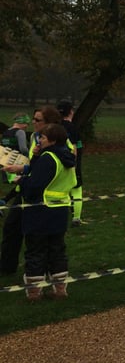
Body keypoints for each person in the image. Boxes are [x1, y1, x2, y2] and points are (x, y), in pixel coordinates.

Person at [3, 123, 77, 300]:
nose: (40, 140)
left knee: (36, 250)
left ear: (52, 140)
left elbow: (35, 185)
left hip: (41, 211)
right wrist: (36, 157)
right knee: (57, 249)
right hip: (59, 210)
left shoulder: (49, 158)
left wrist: (19, 181)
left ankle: (34, 291)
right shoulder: (65, 156)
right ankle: (60, 288)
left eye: (43, 137)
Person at [0, 106, 65, 276]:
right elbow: (36, 165)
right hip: (26, 189)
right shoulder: (36, 137)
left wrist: (24, 172)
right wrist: (21, 168)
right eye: (34, 119)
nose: (33, 123)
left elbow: (57, 163)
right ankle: (7, 269)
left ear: (49, 123)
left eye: (37, 120)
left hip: (41, 196)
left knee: (40, 240)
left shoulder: (56, 140)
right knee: (11, 229)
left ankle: (42, 273)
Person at [58, 100, 85, 227]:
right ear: (71, 112)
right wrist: (73, 163)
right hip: (71, 162)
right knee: (76, 189)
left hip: (57, 161)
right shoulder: (73, 128)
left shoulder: (54, 127)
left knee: (62, 189)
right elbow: (75, 147)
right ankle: (76, 217)